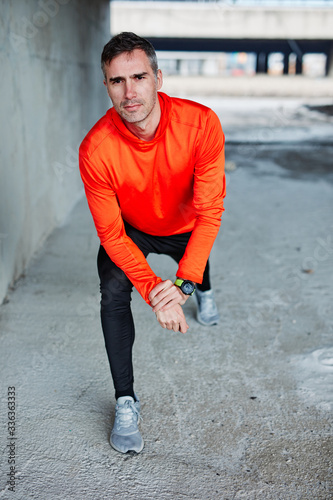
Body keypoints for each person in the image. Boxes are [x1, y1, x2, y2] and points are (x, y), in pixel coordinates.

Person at [79, 32, 226, 454]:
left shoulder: (200, 124)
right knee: (111, 289)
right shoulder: (95, 149)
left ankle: (204, 292)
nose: (129, 92)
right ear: (106, 85)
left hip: (184, 220)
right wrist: (154, 293)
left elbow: (211, 211)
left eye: (139, 77)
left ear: (158, 78)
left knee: (194, 259)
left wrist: (181, 287)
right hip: (132, 228)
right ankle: (126, 399)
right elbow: (110, 233)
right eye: (117, 81)